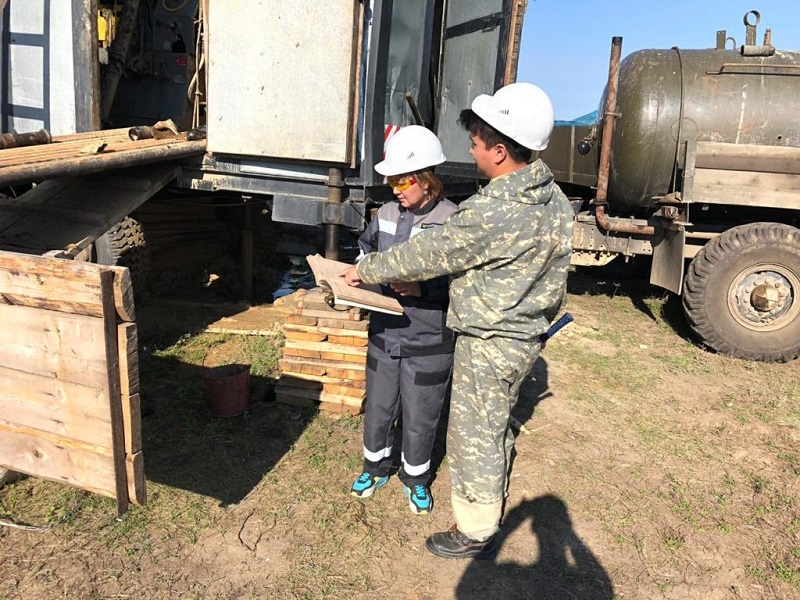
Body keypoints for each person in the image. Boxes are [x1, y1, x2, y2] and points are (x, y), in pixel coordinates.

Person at [344, 83, 574, 558]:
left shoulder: (493, 209)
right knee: (497, 425)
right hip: (525, 338)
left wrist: (362, 271)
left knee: (474, 437)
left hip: (489, 342)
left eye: (475, 143)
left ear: (500, 149)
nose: (470, 151)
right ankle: (488, 488)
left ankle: (475, 528)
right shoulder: (553, 200)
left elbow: (430, 251)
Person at [349, 125, 458, 515]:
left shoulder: (453, 221)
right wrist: (356, 276)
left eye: (402, 179)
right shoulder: (386, 213)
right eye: (390, 179)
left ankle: (416, 479)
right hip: (384, 333)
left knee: (420, 415)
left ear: (427, 181)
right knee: (378, 408)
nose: (394, 187)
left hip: (429, 341)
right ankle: (374, 467)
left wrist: (424, 291)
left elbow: (465, 285)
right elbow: (366, 251)